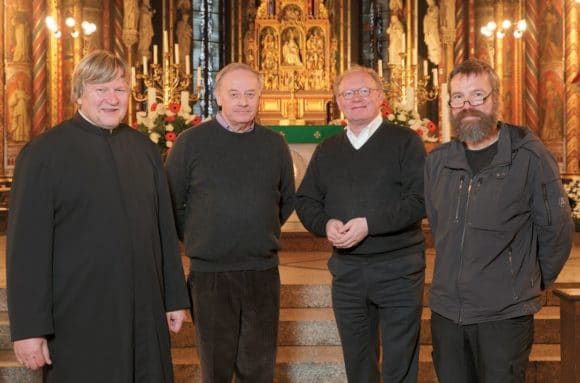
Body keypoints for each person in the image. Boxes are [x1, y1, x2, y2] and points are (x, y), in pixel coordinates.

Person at [7, 50, 190, 382]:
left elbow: (164, 231)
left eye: (119, 89)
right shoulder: (43, 154)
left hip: (143, 312)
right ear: (79, 93)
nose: (111, 98)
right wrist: (29, 329)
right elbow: (26, 251)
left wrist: (175, 298)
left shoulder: (144, 150)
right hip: (77, 318)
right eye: (100, 89)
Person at [424, 58, 573, 382]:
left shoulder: (529, 157)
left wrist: (525, 283)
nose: (468, 106)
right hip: (448, 314)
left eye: (478, 96)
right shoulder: (437, 162)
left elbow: (557, 231)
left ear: (496, 98)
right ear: (449, 103)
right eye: (459, 98)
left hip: (504, 315)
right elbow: (440, 226)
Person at [296, 65, 427, 382]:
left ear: (381, 97)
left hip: (398, 268)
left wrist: (370, 224)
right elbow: (306, 200)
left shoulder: (405, 141)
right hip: (348, 272)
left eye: (364, 91)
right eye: (347, 93)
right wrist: (325, 224)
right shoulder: (328, 149)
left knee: (400, 364)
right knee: (358, 363)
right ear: (338, 101)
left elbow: (419, 200)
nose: (356, 98)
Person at [165, 62, 295, 383]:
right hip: (211, 274)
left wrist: (255, 232)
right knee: (216, 367)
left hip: (261, 272)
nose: (243, 101)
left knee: (259, 369)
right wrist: (203, 237)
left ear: (260, 97)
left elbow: (286, 199)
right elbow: (171, 203)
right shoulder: (190, 143)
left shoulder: (274, 143)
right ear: (218, 97)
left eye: (250, 94)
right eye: (234, 94)